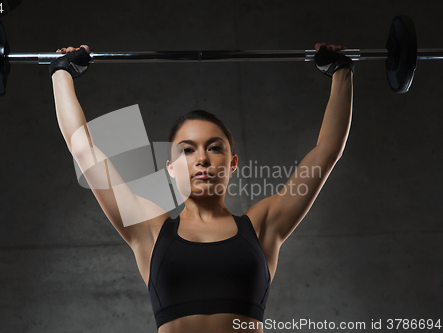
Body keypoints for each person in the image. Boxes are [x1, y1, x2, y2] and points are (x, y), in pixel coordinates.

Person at [50, 42, 353, 333]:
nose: (203, 159)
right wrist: (61, 72)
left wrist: (341, 72)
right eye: (187, 150)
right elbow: (83, 150)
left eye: (215, 148)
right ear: (170, 168)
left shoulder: (262, 225)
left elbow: (326, 152)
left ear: (232, 163)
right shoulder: (149, 230)